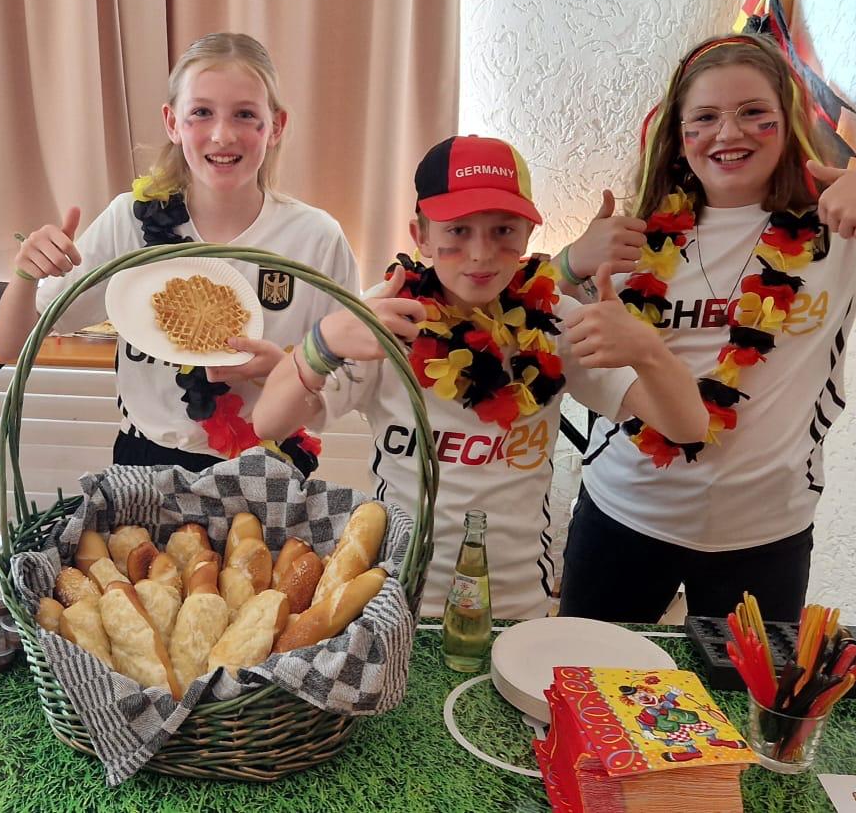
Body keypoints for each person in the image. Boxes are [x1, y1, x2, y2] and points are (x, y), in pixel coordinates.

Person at [555, 34, 856, 622]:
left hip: (765, 533)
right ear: (679, 138)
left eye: (753, 113)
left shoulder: (837, 225)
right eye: (704, 117)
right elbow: (534, 312)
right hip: (624, 512)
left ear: (787, 126)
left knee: (744, 708)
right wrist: (571, 260)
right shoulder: (632, 239)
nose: (727, 133)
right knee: (586, 687)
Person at [251, 135, 707, 619]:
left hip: (514, 607)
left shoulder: (556, 321)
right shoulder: (386, 321)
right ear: (421, 235)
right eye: (458, 231)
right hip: (394, 601)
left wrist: (648, 351)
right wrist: (320, 343)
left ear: (529, 234)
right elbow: (269, 423)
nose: (481, 254)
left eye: (503, 230)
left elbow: (688, 427)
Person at [0, 32, 359, 474]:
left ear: (276, 126)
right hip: (147, 468)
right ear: (172, 121)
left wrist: (283, 370)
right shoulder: (130, 220)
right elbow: (12, 346)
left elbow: (350, 382)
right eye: (201, 112)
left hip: (271, 466)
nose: (222, 135)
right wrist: (27, 273)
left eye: (245, 114)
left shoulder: (315, 239)